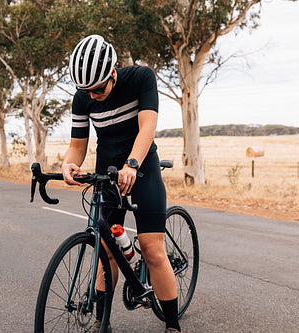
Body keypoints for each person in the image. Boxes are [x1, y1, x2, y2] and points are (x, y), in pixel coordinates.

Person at [62, 35, 181, 333]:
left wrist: (132, 164)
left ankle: (172, 325)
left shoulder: (141, 78)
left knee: (152, 249)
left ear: (113, 73)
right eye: (86, 91)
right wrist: (68, 163)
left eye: (99, 89)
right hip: (107, 170)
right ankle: (103, 323)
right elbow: (77, 145)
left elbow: (148, 128)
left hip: (141, 168)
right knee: (106, 249)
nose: (94, 95)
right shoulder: (83, 98)